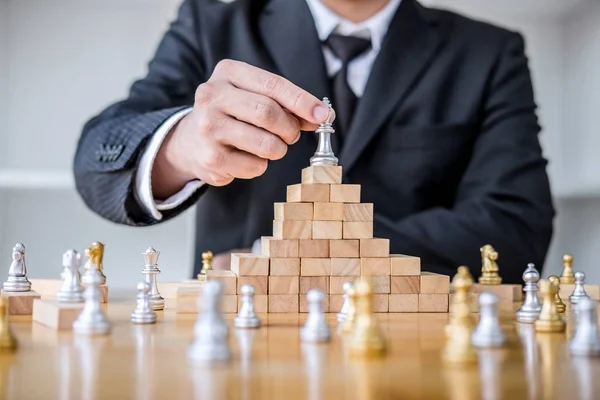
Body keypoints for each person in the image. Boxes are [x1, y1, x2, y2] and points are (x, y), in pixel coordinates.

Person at [73, 0, 555, 283]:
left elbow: (515, 227)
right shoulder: (212, 24)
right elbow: (98, 160)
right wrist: (179, 146)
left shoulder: (489, 53)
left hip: (421, 347)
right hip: (241, 345)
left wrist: (301, 256)